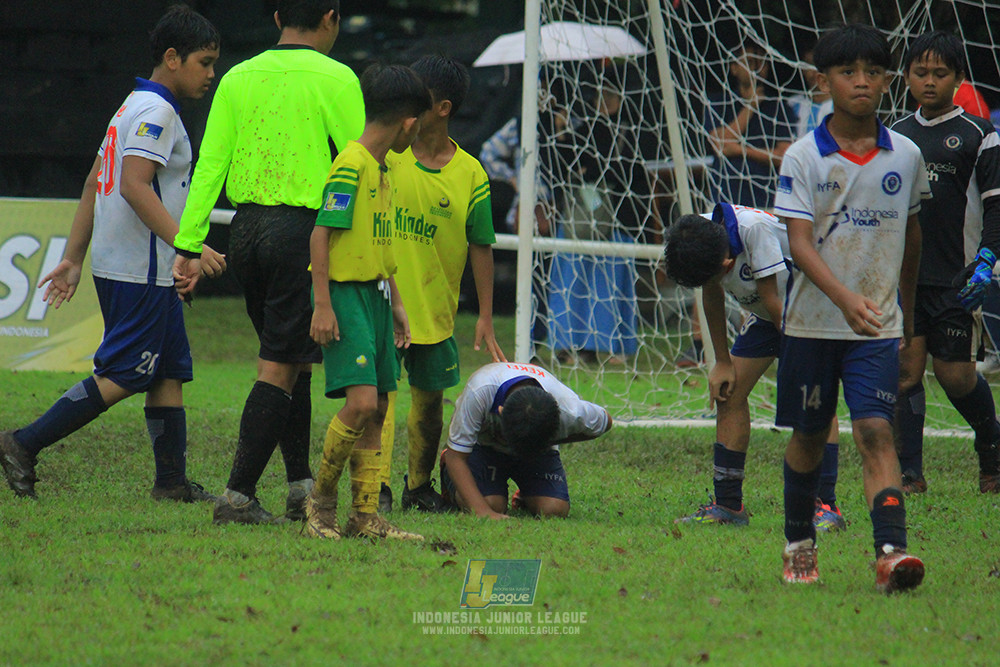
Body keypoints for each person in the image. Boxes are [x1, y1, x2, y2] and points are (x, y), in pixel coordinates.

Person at [0, 5, 223, 502]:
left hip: (138, 266)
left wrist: (74, 258)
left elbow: (91, 180)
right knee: (127, 372)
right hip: (138, 269)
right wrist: (188, 245)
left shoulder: (132, 104)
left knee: (168, 371)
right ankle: (23, 442)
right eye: (204, 62)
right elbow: (133, 186)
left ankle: (170, 484)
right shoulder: (157, 111)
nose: (211, 74)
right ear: (172, 57)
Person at [172, 0, 365, 525]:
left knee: (293, 359)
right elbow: (363, 161)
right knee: (279, 365)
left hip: (247, 230)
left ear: (278, 19)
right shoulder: (337, 77)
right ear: (330, 18)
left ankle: (300, 486)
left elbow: (209, 162)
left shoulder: (237, 77)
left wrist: (189, 245)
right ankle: (237, 498)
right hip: (301, 233)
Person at [772, 23, 928, 592]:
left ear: (888, 80)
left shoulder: (906, 155)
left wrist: (906, 324)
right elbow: (798, 242)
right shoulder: (802, 156)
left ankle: (891, 554)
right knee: (811, 435)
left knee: (875, 432)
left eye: (873, 72)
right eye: (847, 72)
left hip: (878, 328)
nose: (861, 83)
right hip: (812, 326)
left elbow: (911, 241)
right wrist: (843, 299)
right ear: (824, 81)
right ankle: (798, 544)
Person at [303, 63, 431, 541]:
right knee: (359, 403)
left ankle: (365, 515)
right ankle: (318, 508)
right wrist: (322, 304)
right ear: (407, 122)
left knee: (377, 405)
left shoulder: (380, 168)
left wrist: (396, 303)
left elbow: (380, 245)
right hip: (344, 295)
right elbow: (320, 235)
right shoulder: (351, 163)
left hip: (376, 296)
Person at [377, 55, 506, 514]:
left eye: (418, 101)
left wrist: (486, 316)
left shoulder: (471, 174)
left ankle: (417, 487)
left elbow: (481, 245)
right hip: (383, 302)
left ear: (443, 108)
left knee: (429, 406)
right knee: (379, 398)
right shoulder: (386, 156)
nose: (407, 110)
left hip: (436, 310)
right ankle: (376, 488)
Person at [664, 204, 844, 531]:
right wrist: (720, 361)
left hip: (808, 312)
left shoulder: (754, 230)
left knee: (813, 398)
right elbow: (711, 294)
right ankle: (729, 506)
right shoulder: (699, 234)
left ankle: (826, 507)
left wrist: (798, 361)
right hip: (767, 316)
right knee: (729, 393)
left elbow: (773, 299)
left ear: (727, 263)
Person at [890, 31, 1000, 495]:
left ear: (957, 77)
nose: (929, 81)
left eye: (940, 73)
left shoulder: (980, 134)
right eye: (921, 73)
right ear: (908, 77)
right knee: (906, 373)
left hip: (959, 278)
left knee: (955, 376)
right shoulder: (894, 135)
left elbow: (996, 206)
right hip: (907, 281)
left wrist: (986, 260)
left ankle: (991, 448)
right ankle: (909, 475)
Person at [548, 83, 645, 364]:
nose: (604, 100)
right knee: (574, 281)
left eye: (610, 94)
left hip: (619, 220)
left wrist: (594, 169)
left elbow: (632, 170)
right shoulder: (583, 129)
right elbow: (561, 165)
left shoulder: (634, 128)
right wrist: (561, 132)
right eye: (599, 95)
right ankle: (572, 345)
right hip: (580, 219)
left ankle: (615, 346)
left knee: (610, 284)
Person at [440, 362, 612, 519]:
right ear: (500, 411)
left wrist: (550, 439)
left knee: (554, 510)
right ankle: (449, 475)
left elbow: (606, 421)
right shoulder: (479, 392)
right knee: (492, 504)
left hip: (537, 450)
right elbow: (456, 457)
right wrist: (483, 512)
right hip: (485, 447)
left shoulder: (569, 409)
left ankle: (527, 493)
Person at [704, 43, 796, 210]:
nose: (756, 67)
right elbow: (720, 143)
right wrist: (751, 107)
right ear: (734, 68)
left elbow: (784, 155)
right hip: (727, 197)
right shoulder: (718, 103)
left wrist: (741, 150)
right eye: (750, 61)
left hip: (768, 197)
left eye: (761, 62)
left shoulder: (779, 107)